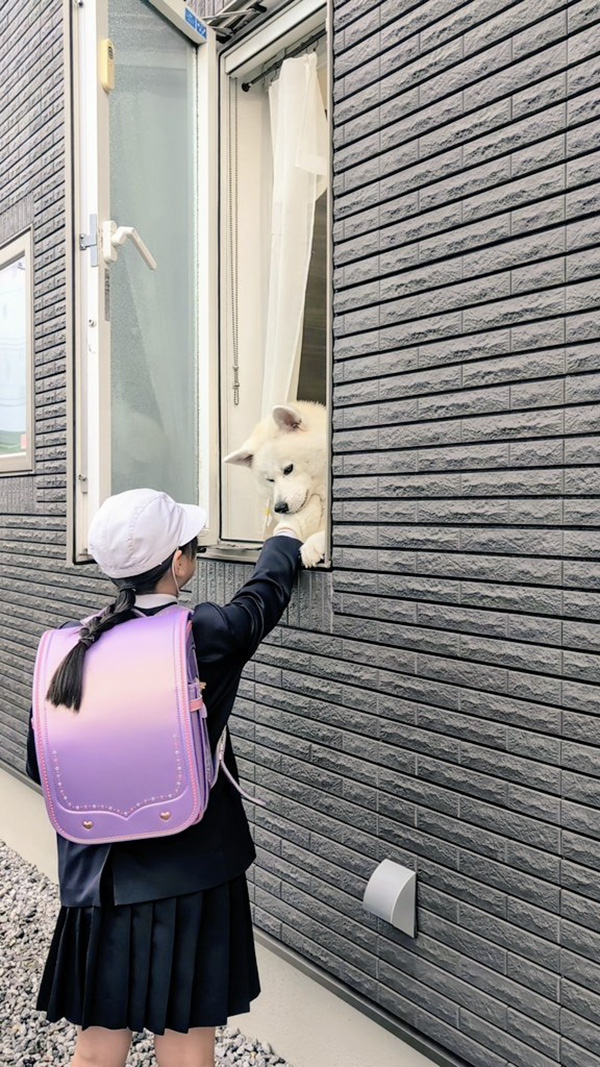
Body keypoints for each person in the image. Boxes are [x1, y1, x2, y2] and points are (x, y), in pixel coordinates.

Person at [25, 487, 303, 1067]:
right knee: (185, 1048)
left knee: (98, 1047)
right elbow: (264, 596)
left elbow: (39, 764)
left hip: (99, 879)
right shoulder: (200, 633)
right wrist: (286, 534)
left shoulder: (72, 645)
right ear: (180, 562)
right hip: (192, 871)